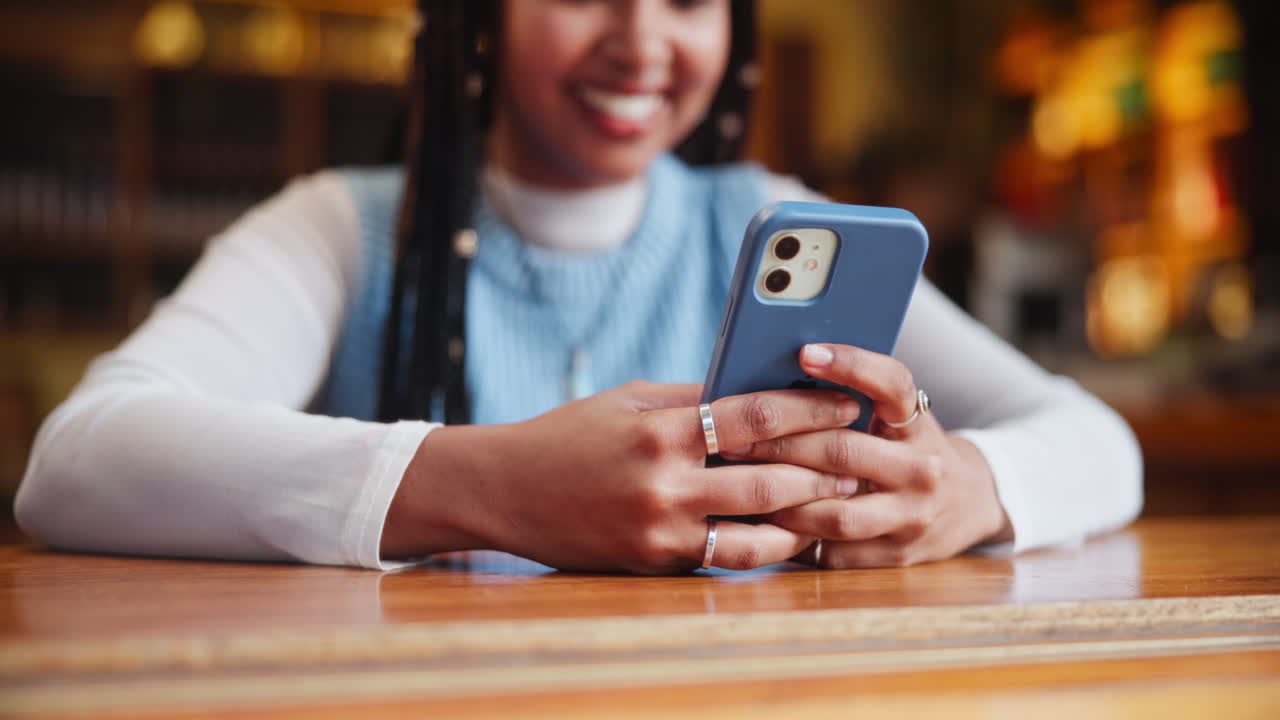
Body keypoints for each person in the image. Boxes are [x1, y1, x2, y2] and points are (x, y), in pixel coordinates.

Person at [15, 0, 1141, 573]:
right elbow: (77, 460)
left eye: (691, 0)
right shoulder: (345, 228)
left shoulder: (759, 217)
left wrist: (967, 489)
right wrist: (493, 485)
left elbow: (1096, 440)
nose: (641, 41)